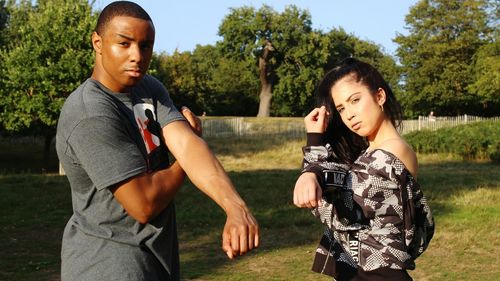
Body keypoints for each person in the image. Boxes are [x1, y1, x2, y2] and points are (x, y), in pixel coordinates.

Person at [55, 1, 259, 280]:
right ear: (98, 43)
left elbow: (188, 144)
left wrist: (235, 207)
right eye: (124, 44)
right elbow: (143, 203)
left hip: (156, 260)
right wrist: (180, 163)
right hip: (109, 263)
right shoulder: (90, 112)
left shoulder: (149, 88)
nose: (137, 56)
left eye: (146, 45)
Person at [293, 58, 434, 281]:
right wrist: (313, 170)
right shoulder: (367, 153)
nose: (349, 114)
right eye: (341, 108)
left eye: (355, 100)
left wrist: (314, 154)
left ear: (380, 96)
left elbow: (336, 210)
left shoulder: (392, 152)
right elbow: (334, 186)